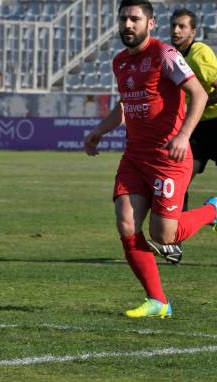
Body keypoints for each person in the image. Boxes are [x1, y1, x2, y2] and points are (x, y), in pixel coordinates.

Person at [83, 0, 216, 319]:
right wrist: (99, 131)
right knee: (126, 222)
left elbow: (198, 93)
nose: (128, 25)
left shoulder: (165, 55)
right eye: (123, 19)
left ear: (150, 24)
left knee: (164, 234)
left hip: (168, 158)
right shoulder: (119, 63)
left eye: (135, 19)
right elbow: (126, 104)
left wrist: (183, 136)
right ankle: (158, 301)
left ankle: (213, 209)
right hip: (135, 156)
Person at [150, 9, 217, 264]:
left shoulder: (200, 55)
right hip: (197, 128)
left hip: (216, 124)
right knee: (180, 179)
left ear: (193, 31)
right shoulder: (173, 55)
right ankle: (173, 242)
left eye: (182, 27)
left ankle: (213, 209)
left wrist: (202, 101)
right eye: (174, 26)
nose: (176, 31)